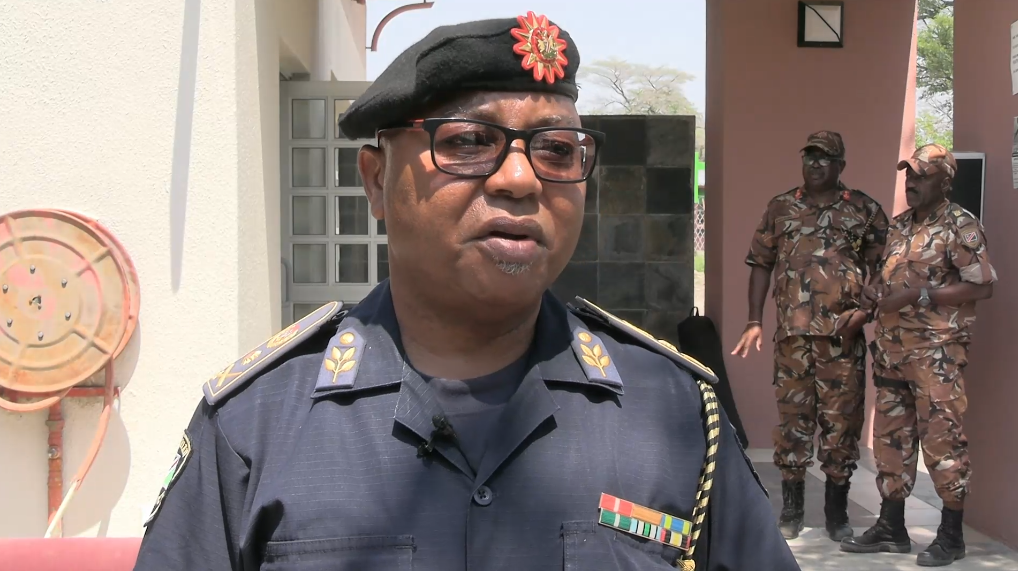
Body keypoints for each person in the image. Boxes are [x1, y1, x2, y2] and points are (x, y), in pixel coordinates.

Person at [133, 12, 799, 571]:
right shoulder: (253, 427)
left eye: (557, 150)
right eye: (471, 141)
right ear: (376, 181)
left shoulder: (677, 413)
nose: (521, 179)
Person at [841, 144, 995, 567]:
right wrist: (874, 293)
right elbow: (888, 276)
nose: (911, 182)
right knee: (891, 440)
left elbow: (982, 286)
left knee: (943, 441)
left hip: (936, 354)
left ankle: (951, 537)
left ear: (944, 181)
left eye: (922, 176)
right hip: (893, 352)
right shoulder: (900, 225)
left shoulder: (960, 225)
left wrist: (919, 295)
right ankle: (891, 527)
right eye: (909, 174)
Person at [732, 131, 889, 541]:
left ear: (841, 165)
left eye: (824, 158)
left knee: (842, 426)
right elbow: (761, 263)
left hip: (843, 341)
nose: (815, 164)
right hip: (793, 341)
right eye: (809, 157)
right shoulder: (781, 207)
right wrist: (754, 321)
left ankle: (837, 513)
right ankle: (792, 510)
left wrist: (865, 312)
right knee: (793, 425)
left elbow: (885, 269)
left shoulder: (864, 210)